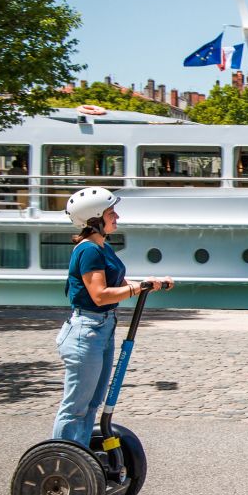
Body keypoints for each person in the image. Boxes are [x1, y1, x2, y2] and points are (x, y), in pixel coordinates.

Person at [52, 187, 174, 446]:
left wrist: (148, 282)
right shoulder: (88, 250)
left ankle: (81, 459)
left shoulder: (102, 247)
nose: (116, 216)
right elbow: (99, 294)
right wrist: (137, 288)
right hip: (86, 331)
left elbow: (116, 281)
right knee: (75, 407)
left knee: (93, 403)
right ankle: (62, 461)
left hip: (103, 329)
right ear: (95, 218)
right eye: (111, 212)